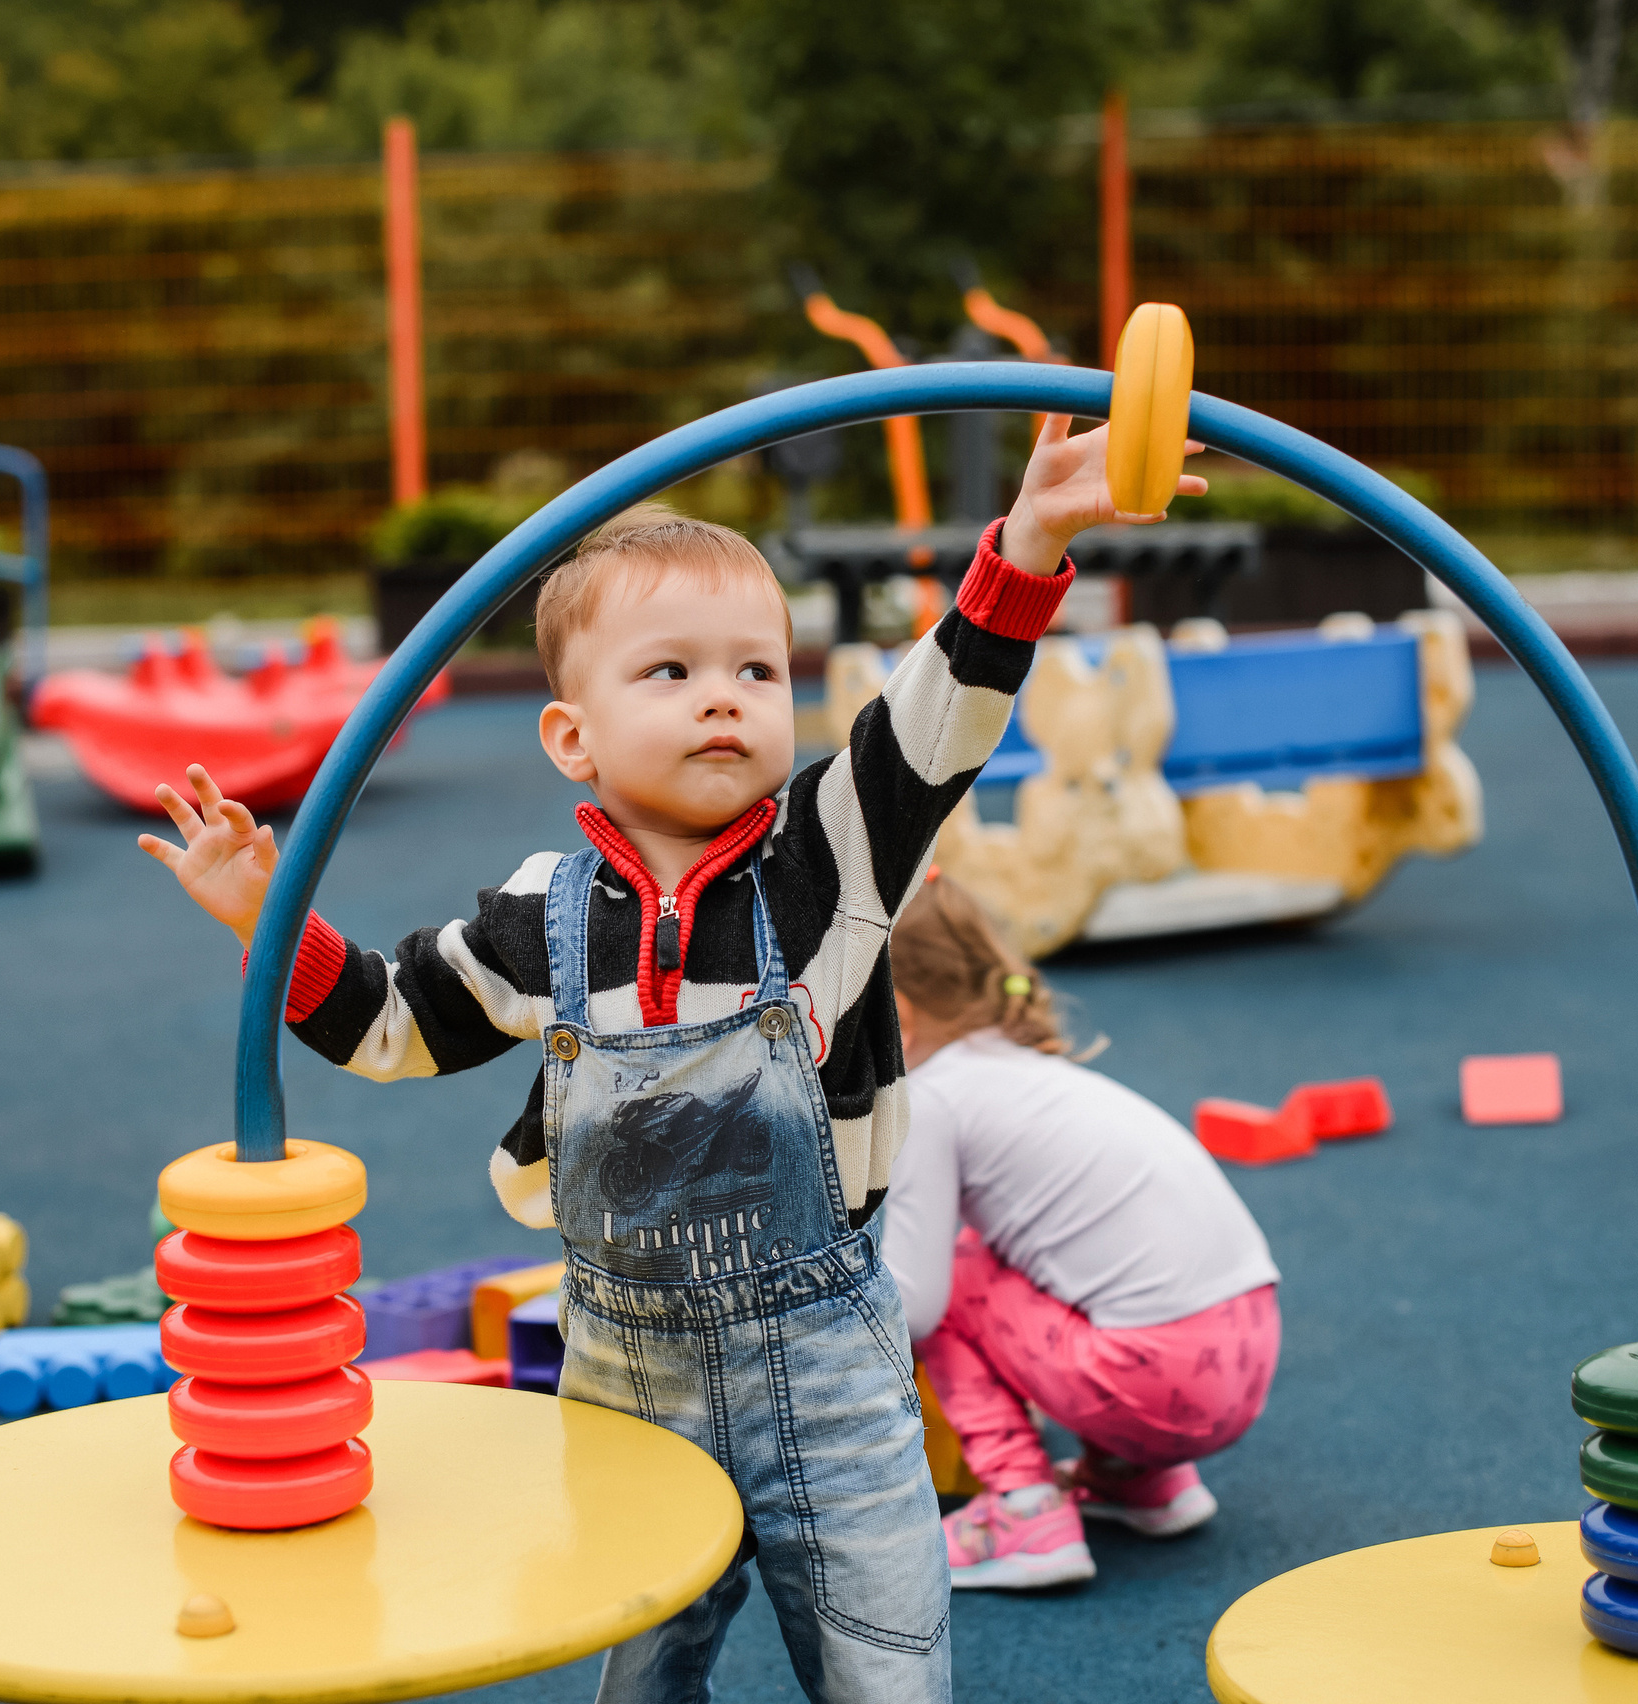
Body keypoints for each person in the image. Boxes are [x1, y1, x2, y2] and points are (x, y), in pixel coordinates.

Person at [143, 415, 1205, 1703]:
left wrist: (1029, 540)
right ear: (570, 738)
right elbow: (390, 1026)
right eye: (670, 672)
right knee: (639, 1671)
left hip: (826, 1364)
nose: (724, 695)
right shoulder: (537, 917)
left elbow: (939, 716)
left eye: (758, 670)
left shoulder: (831, 856)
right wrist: (272, 922)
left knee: (886, 1673)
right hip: (623, 1373)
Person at [879, 873, 1280, 1592]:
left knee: (956, 1272)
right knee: (1050, 1261)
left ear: (896, 1014)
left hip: (1157, 1384)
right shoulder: (1029, 1073)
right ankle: (1137, 1480)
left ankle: (1025, 1514)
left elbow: (918, 1306)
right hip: (1245, 1359)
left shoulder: (932, 1097)